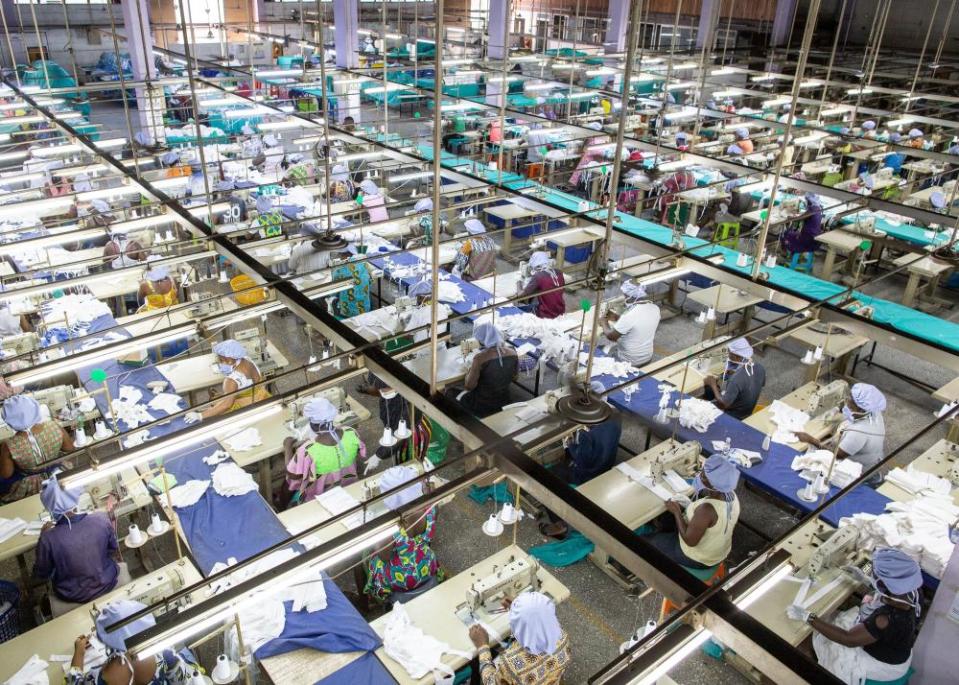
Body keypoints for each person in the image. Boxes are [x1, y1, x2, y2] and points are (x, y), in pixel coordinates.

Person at [790, 547, 921, 684]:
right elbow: (887, 590)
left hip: (882, 665)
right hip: (898, 651)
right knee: (835, 620)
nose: (874, 576)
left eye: (877, 576)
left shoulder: (885, 619)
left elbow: (848, 639)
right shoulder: (912, 593)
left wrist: (809, 617)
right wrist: (865, 579)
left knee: (829, 646)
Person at [34, 477, 129, 616]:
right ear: (76, 496)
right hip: (108, 582)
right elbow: (112, 549)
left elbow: (42, 574)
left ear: (49, 505)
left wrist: (42, 539)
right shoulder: (101, 519)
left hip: (72, 595)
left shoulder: (48, 538)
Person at [539, 381, 621, 538]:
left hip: (588, 473)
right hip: (607, 465)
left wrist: (568, 443)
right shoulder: (616, 415)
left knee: (547, 478)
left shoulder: (587, 431)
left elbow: (582, 460)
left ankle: (560, 524)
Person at [66, 599, 199, 685]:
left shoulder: (99, 680)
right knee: (184, 651)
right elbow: (183, 680)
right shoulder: (163, 653)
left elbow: (73, 681)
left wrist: (79, 652)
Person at [642, 454, 740, 569]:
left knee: (643, 542)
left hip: (698, 557)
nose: (699, 476)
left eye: (703, 476)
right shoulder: (731, 495)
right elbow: (712, 521)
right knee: (666, 522)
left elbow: (690, 541)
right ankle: (664, 533)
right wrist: (690, 506)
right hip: (717, 551)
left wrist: (677, 512)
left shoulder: (707, 510)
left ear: (714, 484)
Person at [365, 465, 439, 604]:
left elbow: (384, 557)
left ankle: (371, 599)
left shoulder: (391, 528)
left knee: (368, 557)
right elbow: (431, 531)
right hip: (427, 564)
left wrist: (375, 539)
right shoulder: (429, 507)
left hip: (402, 579)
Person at [468, 591, 571, 685]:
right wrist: (520, 608)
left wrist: (483, 646)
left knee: (478, 661)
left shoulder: (512, 663)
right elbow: (538, 617)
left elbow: (490, 682)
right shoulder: (563, 638)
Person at [283, 398, 366, 506]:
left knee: (286, 491)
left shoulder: (308, 450)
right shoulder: (351, 433)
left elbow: (292, 475)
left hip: (318, 498)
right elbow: (358, 451)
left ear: (312, 424)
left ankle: (280, 506)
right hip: (348, 487)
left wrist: (287, 448)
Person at [796, 383, 886, 475]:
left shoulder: (858, 432)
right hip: (872, 457)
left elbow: (837, 455)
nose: (847, 400)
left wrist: (811, 440)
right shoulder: (873, 411)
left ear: (861, 408)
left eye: (850, 400)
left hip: (858, 470)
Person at [0, 396, 74, 504]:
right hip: (58, 475)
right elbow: (69, 449)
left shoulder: (9, 445)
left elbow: (6, 474)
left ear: (8, 419)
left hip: (31, 487)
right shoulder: (54, 426)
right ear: (35, 409)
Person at [185, 340, 270, 422]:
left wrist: (200, 415)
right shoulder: (247, 360)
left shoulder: (231, 381)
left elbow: (226, 405)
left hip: (247, 410)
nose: (220, 362)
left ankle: (213, 399)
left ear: (229, 360)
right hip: (264, 399)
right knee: (218, 398)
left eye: (221, 360)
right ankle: (215, 397)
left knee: (217, 405)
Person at [454, 322, 518, 418]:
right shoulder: (513, 353)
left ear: (483, 340)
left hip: (482, 405)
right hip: (503, 400)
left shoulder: (480, 358)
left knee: (449, 391)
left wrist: (469, 371)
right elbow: (515, 377)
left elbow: (469, 386)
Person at [703, 337, 766, 420]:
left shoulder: (735, 380)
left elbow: (723, 404)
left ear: (737, 357)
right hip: (747, 411)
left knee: (703, 405)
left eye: (729, 352)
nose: (728, 354)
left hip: (733, 416)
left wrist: (713, 385)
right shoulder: (760, 367)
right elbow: (757, 383)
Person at [602, 280, 660, 366]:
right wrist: (617, 317)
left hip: (629, 361)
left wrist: (603, 322)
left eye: (625, 295)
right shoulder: (655, 308)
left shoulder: (629, 316)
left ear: (631, 296)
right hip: (647, 357)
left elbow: (611, 337)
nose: (624, 298)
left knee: (600, 353)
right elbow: (639, 322)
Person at [519, 251, 566, 319]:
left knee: (521, 303)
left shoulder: (538, 276)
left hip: (546, 314)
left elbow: (520, 295)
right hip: (560, 311)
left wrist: (518, 281)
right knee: (536, 296)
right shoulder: (559, 272)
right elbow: (561, 290)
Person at [330, 246, 373, 318]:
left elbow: (333, 291)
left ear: (342, 255)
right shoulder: (363, 263)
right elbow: (371, 281)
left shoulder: (339, 269)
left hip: (348, 310)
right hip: (365, 306)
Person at [403, 279, 451, 344]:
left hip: (423, 350)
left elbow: (406, 336)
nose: (416, 302)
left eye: (416, 299)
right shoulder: (443, 308)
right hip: (440, 347)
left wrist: (404, 324)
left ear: (420, 298)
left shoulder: (418, 313)